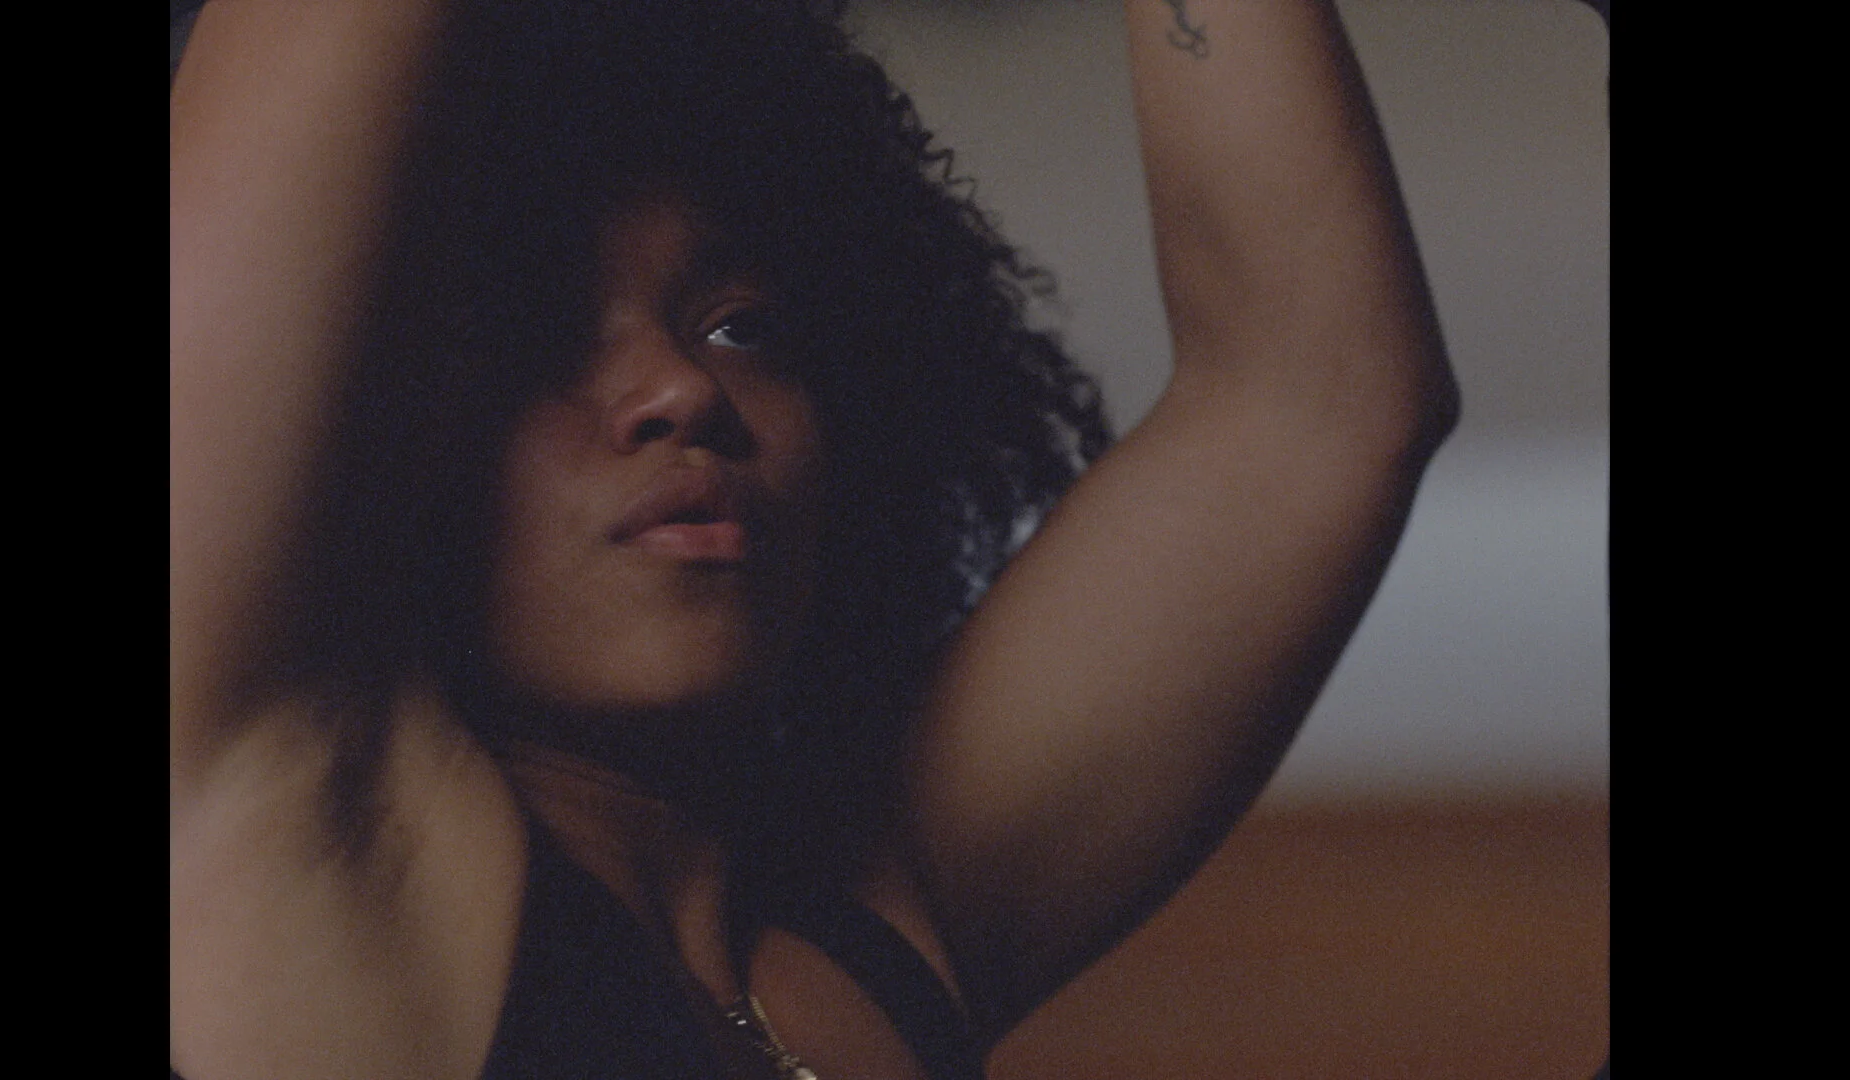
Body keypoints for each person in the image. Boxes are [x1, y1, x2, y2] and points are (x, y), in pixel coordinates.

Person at [169, 1, 1457, 1077]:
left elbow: (1317, 399)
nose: (685, 389)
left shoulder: (875, 931)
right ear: (351, 438)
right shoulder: (309, 840)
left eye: (740, 326)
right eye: (537, 339)